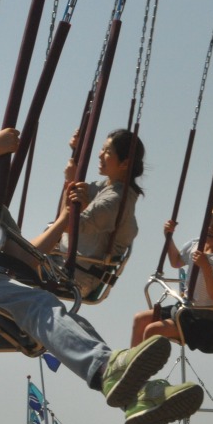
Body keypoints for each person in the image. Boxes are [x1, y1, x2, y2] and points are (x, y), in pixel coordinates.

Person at [0, 79, 203, 424]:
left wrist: (63, 221)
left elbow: (26, 253)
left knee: (64, 316)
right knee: (38, 304)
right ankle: (110, 369)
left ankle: (134, 395)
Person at [32, 128, 145, 299]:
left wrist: (70, 182)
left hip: (75, 276)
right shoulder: (107, 188)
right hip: (62, 263)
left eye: (108, 152)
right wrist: (77, 151)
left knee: (11, 259)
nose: (100, 155)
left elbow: (67, 225)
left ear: (125, 164)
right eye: (102, 149)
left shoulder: (114, 201)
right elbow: (80, 191)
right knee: (9, 252)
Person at [129, 200, 213, 353]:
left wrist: (206, 266)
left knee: (152, 330)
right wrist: (169, 237)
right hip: (184, 310)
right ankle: (130, 362)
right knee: (139, 319)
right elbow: (176, 261)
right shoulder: (196, 245)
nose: (210, 227)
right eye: (209, 222)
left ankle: (142, 363)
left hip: (203, 321)